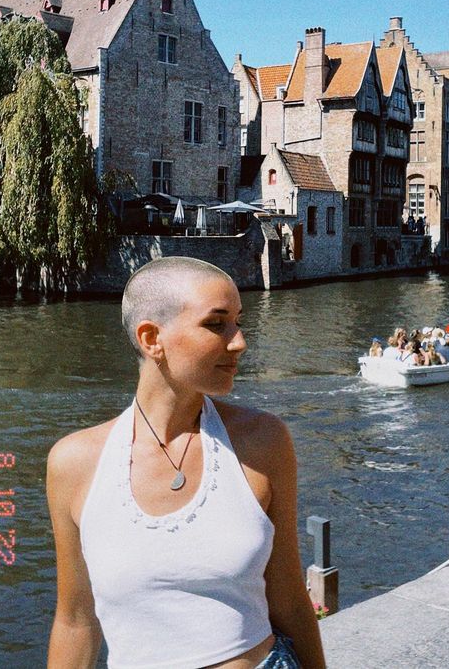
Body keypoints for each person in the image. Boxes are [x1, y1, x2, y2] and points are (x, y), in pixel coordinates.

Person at [46, 257, 325, 669]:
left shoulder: (264, 442)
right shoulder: (74, 463)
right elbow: (76, 622)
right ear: (151, 339)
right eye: (216, 324)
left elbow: (289, 599)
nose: (239, 342)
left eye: (238, 322)